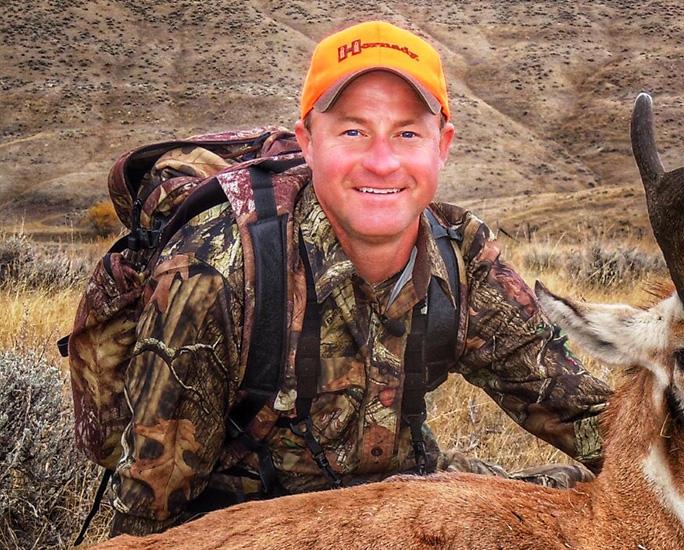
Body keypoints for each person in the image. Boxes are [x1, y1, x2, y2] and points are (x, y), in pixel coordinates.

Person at [108, 20, 612, 536]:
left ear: (443, 145)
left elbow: (596, 425)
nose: (381, 161)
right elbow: (149, 521)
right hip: (255, 532)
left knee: (580, 505)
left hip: (400, 510)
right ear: (307, 142)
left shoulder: (463, 259)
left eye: (408, 133)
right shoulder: (214, 271)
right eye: (353, 131)